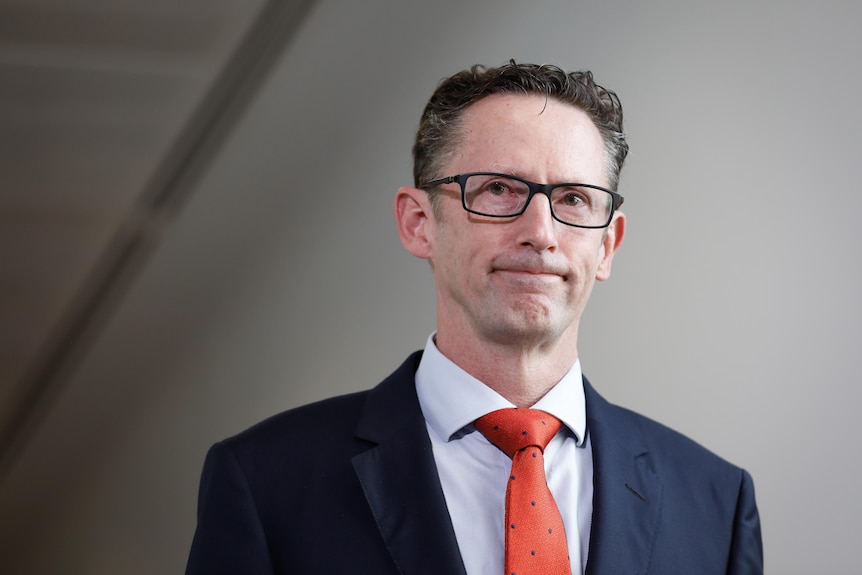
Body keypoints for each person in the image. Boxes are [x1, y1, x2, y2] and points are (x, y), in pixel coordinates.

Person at [186, 61, 763, 575]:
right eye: (497, 189)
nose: (541, 232)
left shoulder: (714, 499)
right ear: (419, 223)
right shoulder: (266, 481)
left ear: (607, 245)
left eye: (573, 200)